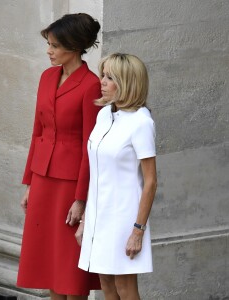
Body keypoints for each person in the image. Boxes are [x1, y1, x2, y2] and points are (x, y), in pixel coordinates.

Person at [17, 13, 102, 299]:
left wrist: (81, 199)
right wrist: (29, 182)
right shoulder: (47, 76)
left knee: (70, 269)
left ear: (75, 46)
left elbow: (91, 147)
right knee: (51, 264)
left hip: (70, 184)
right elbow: (37, 131)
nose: (48, 51)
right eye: (49, 44)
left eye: (54, 46)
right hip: (43, 179)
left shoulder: (91, 85)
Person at [77, 53, 157, 300]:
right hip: (99, 215)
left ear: (126, 83)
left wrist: (137, 231)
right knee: (105, 283)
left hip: (124, 218)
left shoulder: (141, 123)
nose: (101, 81)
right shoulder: (104, 115)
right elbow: (99, 170)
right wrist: (85, 219)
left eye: (110, 77)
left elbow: (151, 181)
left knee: (124, 285)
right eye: (103, 74)